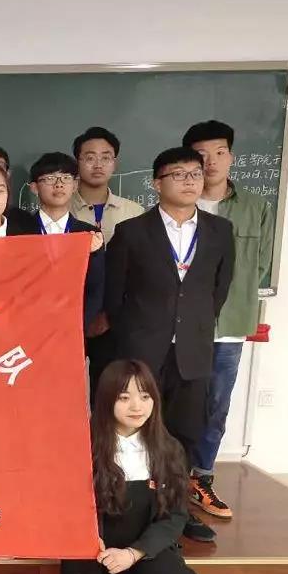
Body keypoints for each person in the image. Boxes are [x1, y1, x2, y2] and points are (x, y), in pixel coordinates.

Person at [105, 147, 235, 543]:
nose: (190, 181)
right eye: (178, 174)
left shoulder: (219, 231)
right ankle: (133, 510)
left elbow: (218, 290)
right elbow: (115, 294)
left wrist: (191, 326)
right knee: (136, 430)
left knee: (185, 433)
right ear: (157, 183)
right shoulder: (132, 232)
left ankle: (177, 511)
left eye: (195, 173)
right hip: (143, 350)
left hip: (192, 351)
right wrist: (138, 333)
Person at [61, 359, 199, 574]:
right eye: (124, 397)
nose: (137, 406)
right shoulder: (83, 447)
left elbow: (175, 515)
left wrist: (134, 553)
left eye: (145, 396)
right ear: (106, 401)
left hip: (143, 552)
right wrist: (88, 541)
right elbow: (64, 508)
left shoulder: (169, 449)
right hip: (96, 561)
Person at [182, 120, 275, 521]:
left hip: (230, 326)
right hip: (182, 326)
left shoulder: (256, 208)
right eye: (201, 154)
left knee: (216, 404)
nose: (211, 161)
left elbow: (261, 265)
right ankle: (168, 480)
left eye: (219, 152)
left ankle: (201, 478)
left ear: (232, 157)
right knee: (176, 402)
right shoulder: (178, 204)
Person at [71, 127, 146, 396]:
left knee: (109, 395)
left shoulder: (134, 213)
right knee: (64, 393)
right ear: (77, 162)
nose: (98, 164)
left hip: (117, 322)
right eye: (89, 157)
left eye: (106, 157)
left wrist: (108, 315)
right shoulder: (59, 209)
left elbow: (140, 271)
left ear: (115, 162)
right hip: (68, 318)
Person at [17, 152, 105, 331]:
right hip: (25, 328)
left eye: (66, 178)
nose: (59, 184)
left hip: (72, 329)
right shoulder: (18, 232)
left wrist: (76, 325)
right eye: (50, 178)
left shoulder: (88, 234)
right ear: (34, 187)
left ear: (75, 185)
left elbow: (96, 288)